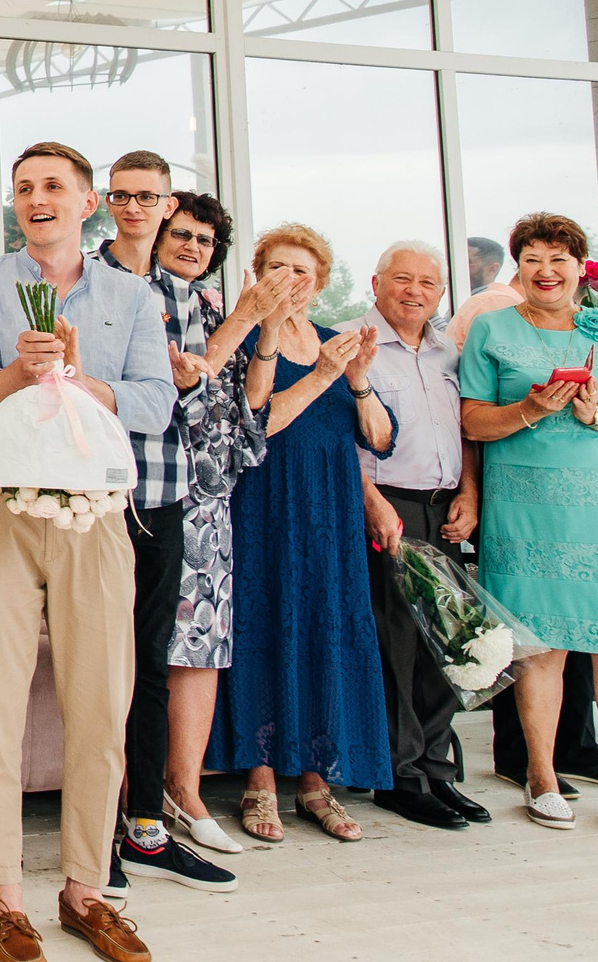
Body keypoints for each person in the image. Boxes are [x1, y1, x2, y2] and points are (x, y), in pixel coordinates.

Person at [0, 142, 171, 962]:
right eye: (22, 188)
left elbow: (155, 402)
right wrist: (19, 370)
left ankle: (85, 890)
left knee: (101, 703)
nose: (35, 198)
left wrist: (80, 379)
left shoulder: (133, 295)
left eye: (51, 186)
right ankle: (4, 897)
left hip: (97, 512)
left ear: (87, 202)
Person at [460, 212, 598, 840]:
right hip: (527, 510)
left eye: (558, 259)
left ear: (580, 268)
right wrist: (528, 409)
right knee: (540, 647)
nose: (545, 270)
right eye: (532, 259)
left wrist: (597, 414)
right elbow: (472, 421)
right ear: (518, 268)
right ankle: (543, 779)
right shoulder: (491, 328)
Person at [211, 224, 394, 843]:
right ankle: (260, 779)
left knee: (325, 630)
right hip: (263, 503)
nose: (290, 281)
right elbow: (252, 415)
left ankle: (317, 782)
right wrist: (273, 334)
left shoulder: (336, 341)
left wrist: (358, 377)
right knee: (264, 626)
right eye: (278, 268)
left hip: (330, 510)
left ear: (319, 284)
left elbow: (379, 438)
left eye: (302, 272)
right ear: (258, 274)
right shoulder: (242, 334)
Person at [92, 153, 235, 895]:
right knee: (97, 666)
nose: (135, 207)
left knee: (151, 663)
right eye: (123, 195)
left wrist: (188, 378)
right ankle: (95, 842)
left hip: (166, 492)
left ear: (167, 203)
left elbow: (201, 399)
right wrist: (156, 385)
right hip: (96, 495)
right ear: (106, 202)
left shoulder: (188, 294)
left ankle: (145, 827)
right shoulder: (87, 281)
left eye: (148, 196)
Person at [354, 243, 492, 830]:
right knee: (399, 646)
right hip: (390, 508)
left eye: (428, 283)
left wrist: (470, 493)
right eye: (402, 279)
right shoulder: (354, 343)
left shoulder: (448, 353)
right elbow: (339, 438)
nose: (414, 292)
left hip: (445, 509)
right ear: (376, 283)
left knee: (449, 643)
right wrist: (373, 504)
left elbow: (464, 432)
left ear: (441, 293)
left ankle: (437, 768)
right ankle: (401, 776)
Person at [152, 192, 265, 857]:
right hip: (152, 490)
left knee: (202, 644)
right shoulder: (139, 298)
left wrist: (265, 328)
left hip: (212, 495)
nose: (193, 246)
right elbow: (176, 385)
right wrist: (247, 316)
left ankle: (186, 792)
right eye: (182, 233)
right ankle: (139, 794)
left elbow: (246, 402)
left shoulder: (218, 307)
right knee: (150, 643)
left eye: (205, 239)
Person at [447, 234, 518, 348]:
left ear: (492, 269)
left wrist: (433, 317)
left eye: (468, 262)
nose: (455, 267)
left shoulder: (488, 304)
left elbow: (449, 346)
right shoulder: (461, 299)